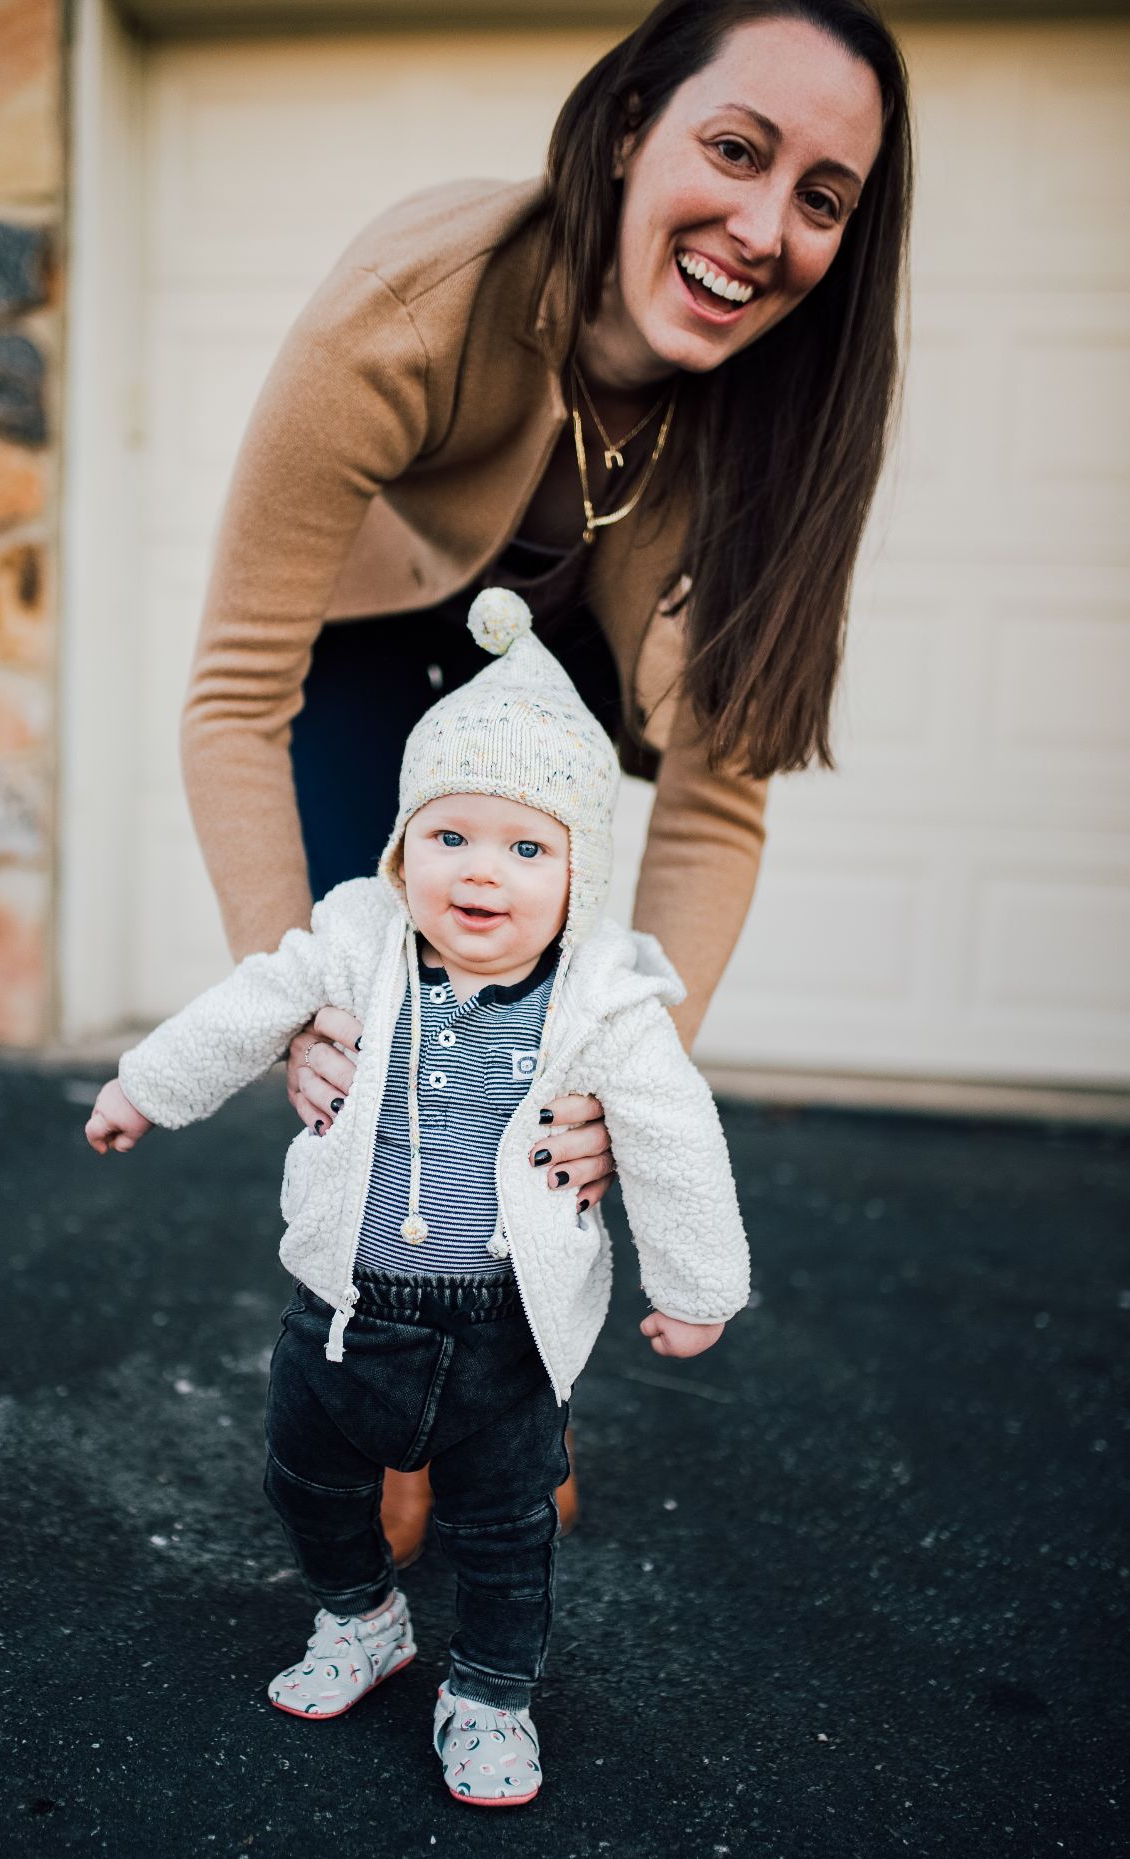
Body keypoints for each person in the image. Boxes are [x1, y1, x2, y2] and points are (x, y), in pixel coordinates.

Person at [176, 0, 911, 1559]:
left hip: (567, 684)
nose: (761, 229)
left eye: (821, 198)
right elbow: (237, 695)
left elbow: (714, 799)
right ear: (632, 118)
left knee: (527, 1058)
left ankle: (505, 1402)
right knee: (379, 1026)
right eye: (733, 150)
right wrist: (298, 993)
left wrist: (616, 1078)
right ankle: (376, 1398)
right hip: (371, 647)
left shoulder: (790, 424)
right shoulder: (413, 303)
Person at [86, 590, 750, 1806]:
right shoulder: (354, 940)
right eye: (449, 838)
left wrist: (699, 1284)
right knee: (306, 1479)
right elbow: (246, 1002)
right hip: (342, 1310)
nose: (480, 871)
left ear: (579, 876)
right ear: (403, 851)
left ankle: (491, 1693)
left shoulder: (602, 1001)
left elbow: (673, 1131)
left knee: (505, 1530)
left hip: (504, 1333)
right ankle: (362, 1618)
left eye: (526, 847)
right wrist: (146, 1085)